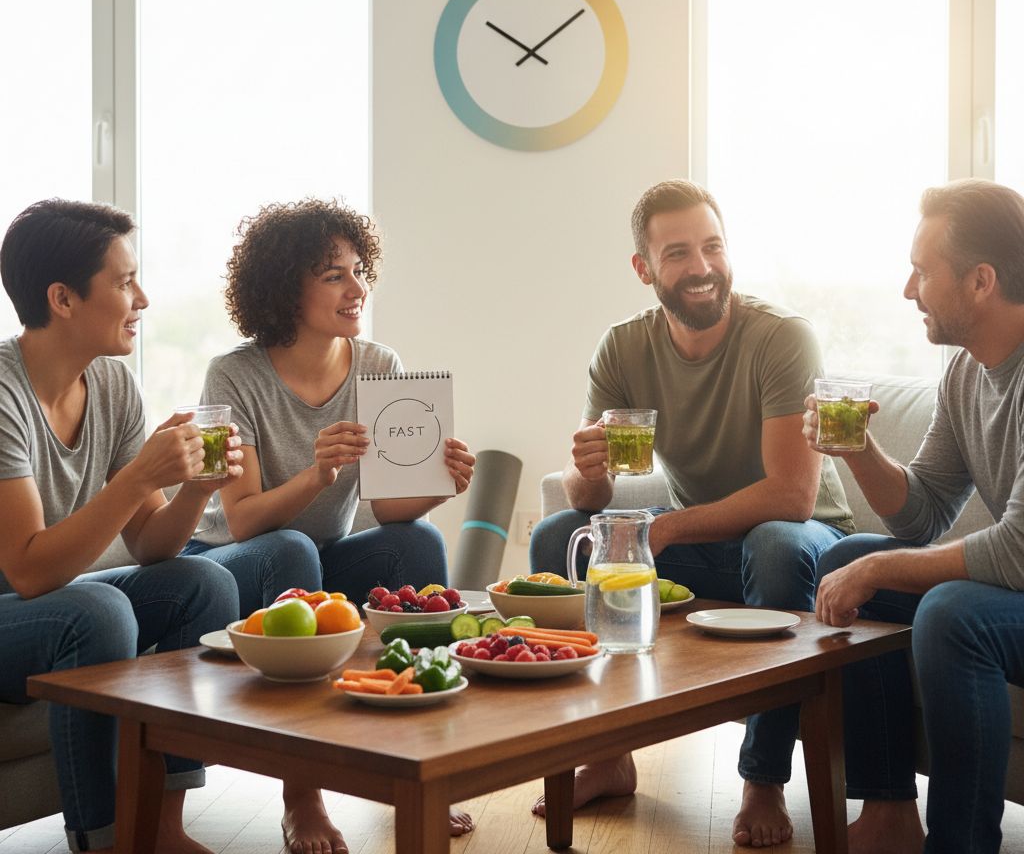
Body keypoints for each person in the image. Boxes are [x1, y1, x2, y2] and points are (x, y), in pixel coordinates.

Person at [529, 179, 854, 847]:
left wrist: (664, 528)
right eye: (678, 253)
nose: (702, 268)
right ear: (643, 269)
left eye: (712, 246)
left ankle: (762, 779)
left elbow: (791, 494)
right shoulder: (623, 348)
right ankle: (605, 754)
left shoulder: (781, 338)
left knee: (774, 542)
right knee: (560, 534)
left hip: (804, 544)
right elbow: (589, 494)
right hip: (709, 545)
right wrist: (582, 471)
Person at [182, 197, 476, 854]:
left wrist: (437, 486)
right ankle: (303, 793)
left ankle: (424, 765)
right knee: (289, 553)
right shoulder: (235, 375)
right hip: (235, 555)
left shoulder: (378, 365)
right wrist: (317, 475)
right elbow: (244, 515)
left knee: (419, 543)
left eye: (357, 270)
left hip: (324, 552)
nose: (356, 288)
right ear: (287, 289)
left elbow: (391, 511)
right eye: (333, 274)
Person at [0, 199, 242, 854]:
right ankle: (108, 841)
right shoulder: (3, 393)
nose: (143, 297)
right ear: (63, 299)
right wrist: (136, 476)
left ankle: (162, 828)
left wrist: (193, 489)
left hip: (38, 603)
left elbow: (151, 544)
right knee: (97, 611)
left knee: (202, 583)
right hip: (10, 609)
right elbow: (26, 570)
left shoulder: (111, 384)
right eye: (124, 281)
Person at [807, 179, 1024, 854]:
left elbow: (1019, 550)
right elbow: (924, 512)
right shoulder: (967, 373)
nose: (909, 290)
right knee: (846, 558)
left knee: (953, 613)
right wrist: (859, 449)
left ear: (981, 281)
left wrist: (881, 566)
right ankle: (889, 810)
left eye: (923, 273)